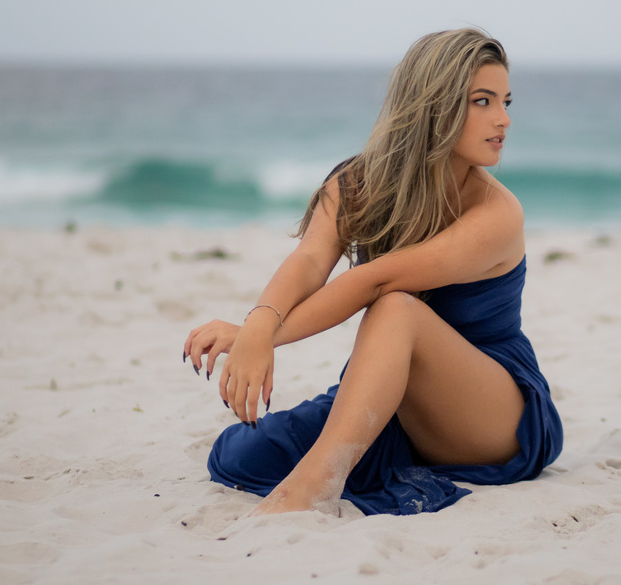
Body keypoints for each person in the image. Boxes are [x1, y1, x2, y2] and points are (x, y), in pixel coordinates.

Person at [182, 28, 563, 516]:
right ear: (434, 104)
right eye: (482, 101)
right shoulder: (358, 182)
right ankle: (329, 462)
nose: (503, 119)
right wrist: (257, 324)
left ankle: (316, 485)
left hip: (493, 412)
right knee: (239, 456)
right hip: (401, 401)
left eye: (505, 102)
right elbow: (310, 260)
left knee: (395, 307)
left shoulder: (497, 213)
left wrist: (257, 337)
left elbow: (375, 280)